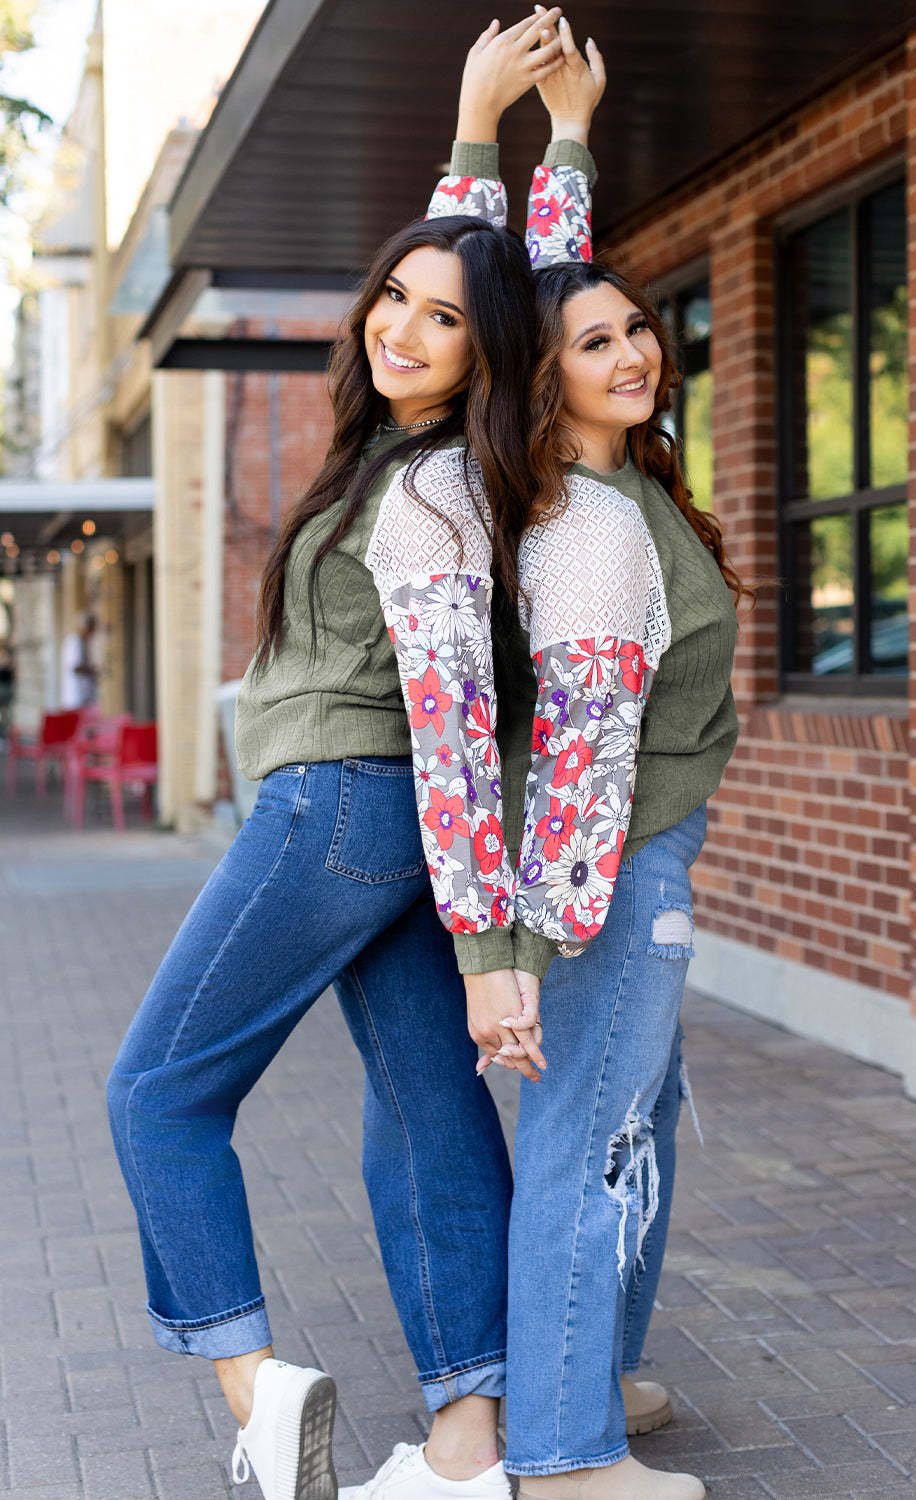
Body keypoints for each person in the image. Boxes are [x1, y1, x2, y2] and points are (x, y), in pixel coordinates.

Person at [105, 17, 572, 1500]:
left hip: (336, 814)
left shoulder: (428, 493)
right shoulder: (419, 456)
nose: (402, 328)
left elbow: (452, 722)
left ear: (487, 353)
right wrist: (496, 131)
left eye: (443, 322)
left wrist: (488, 946)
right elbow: (489, 275)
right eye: (393, 298)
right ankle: (470, 1439)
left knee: (157, 1093)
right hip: (385, 828)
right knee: (430, 1115)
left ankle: (258, 1396)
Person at [345, 17, 753, 1500]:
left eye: (639, 328)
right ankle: (569, 1455)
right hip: (607, 871)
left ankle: (588, 1376)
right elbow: (571, 764)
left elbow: (547, 290)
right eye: (595, 345)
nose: (631, 349)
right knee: (593, 1139)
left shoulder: (612, 480)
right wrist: (512, 951)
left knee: (630, 1131)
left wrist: (562, 137)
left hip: (638, 855)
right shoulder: (576, 526)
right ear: (540, 376)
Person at [60, 611, 98, 709]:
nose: (93, 632)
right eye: (92, 628)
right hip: (77, 697)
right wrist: (93, 671)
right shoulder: (76, 642)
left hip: (82, 696)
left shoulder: (82, 642)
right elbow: (76, 667)